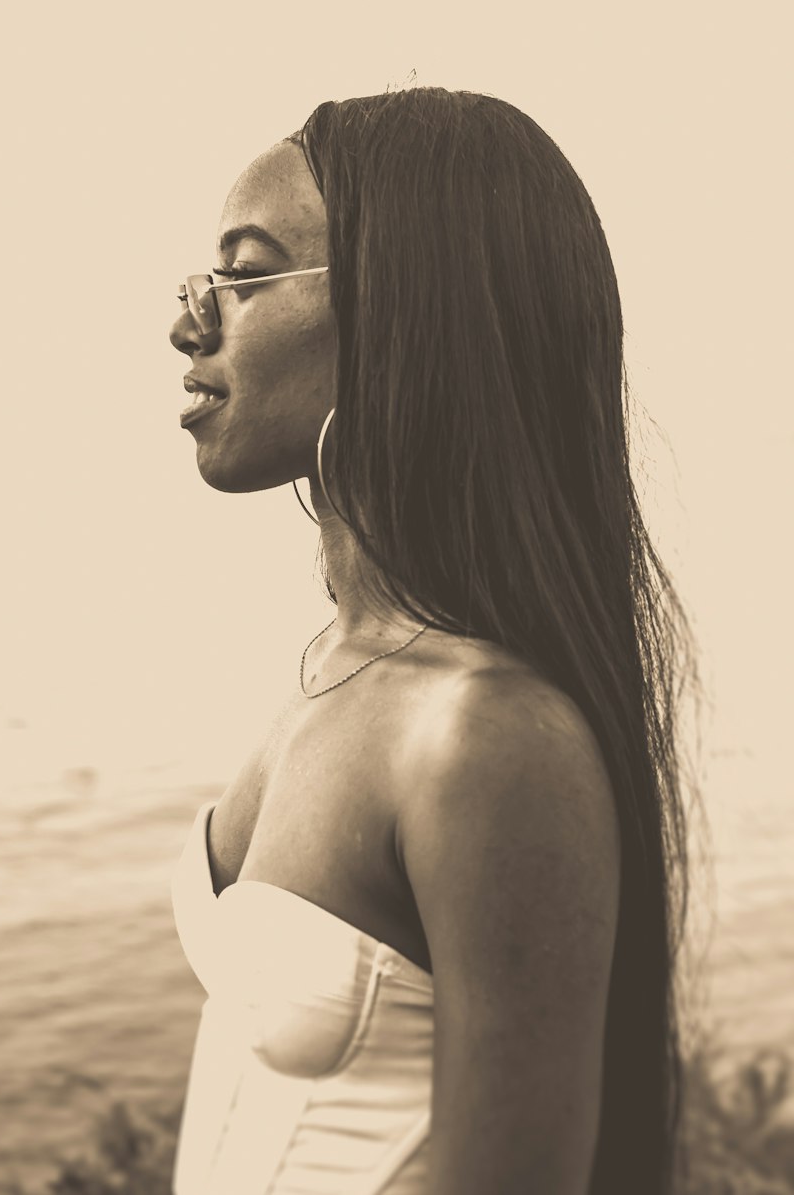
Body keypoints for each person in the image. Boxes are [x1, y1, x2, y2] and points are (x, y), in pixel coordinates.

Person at [167, 88, 691, 1195]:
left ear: (408, 308)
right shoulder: (331, 665)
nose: (189, 321)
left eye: (246, 276)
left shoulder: (484, 734)